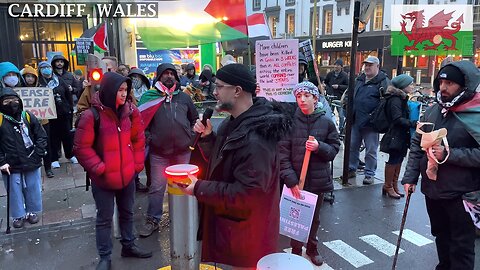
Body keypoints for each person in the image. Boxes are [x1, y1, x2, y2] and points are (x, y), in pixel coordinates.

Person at [181, 63, 293, 269]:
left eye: (219, 86)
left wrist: (199, 187)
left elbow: (247, 194)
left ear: (237, 91)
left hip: (247, 239)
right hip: (235, 232)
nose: (214, 92)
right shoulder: (233, 122)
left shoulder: (257, 138)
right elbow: (228, 160)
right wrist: (208, 139)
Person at [402, 60, 480, 270]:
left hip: (463, 194)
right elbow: (417, 144)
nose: (443, 88)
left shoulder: (476, 113)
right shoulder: (433, 110)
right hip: (434, 190)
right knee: (441, 237)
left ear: (465, 85)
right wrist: (410, 177)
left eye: (450, 83)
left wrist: (449, 154)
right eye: (441, 82)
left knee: (461, 246)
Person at [73, 72, 151, 270]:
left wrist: (136, 166)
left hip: (127, 176)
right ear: (109, 91)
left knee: (127, 213)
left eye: (126, 90)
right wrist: (100, 168)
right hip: (104, 180)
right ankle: (105, 256)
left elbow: (138, 139)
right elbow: (81, 148)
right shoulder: (91, 116)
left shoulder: (131, 112)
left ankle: (129, 245)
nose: (124, 94)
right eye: (120, 90)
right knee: (104, 219)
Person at [279, 81, 340, 266]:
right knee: (294, 217)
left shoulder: (326, 123)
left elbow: (334, 149)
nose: (302, 100)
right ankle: (296, 249)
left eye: (306, 96)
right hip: (295, 181)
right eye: (298, 96)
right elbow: (282, 154)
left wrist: (319, 147)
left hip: (317, 181)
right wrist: (291, 180)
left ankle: (312, 248)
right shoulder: (290, 123)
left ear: (315, 98)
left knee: (313, 218)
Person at [137, 63, 198, 238]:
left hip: (182, 151)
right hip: (159, 152)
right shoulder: (150, 97)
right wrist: (151, 138)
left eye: (172, 73)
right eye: (165, 73)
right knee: (157, 187)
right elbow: (141, 122)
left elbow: (194, 119)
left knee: (184, 186)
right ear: (159, 76)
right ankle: (153, 220)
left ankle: (185, 217)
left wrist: (190, 137)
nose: (169, 76)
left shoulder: (184, 98)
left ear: (177, 77)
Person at [0, 87, 47, 229]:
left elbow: (41, 135)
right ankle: (18, 215)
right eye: (6, 101)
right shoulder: (1, 119)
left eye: (14, 100)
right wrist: (2, 161)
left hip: (31, 158)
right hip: (10, 162)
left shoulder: (27, 116)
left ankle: (31, 212)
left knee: (33, 187)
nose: (11, 103)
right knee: (14, 189)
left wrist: (38, 152)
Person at [347, 56, 390, 184]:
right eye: (366, 65)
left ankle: (369, 173)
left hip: (371, 123)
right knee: (352, 147)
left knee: (371, 150)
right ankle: (351, 168)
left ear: (377, 66)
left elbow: (386, 103)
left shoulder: (383, 82)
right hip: (356, 120)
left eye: (370, 65)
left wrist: (376, 117)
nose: (367, 67)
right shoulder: (359, 80)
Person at [379, 74, 416, 199]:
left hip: (399, 134)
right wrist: (413, 123)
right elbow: (397, 119)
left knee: (399, 158)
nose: (412, 86)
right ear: (403, 86)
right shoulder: (395, 99)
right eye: (410, 84)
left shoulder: (400, 98)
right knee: (394, 159)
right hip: (395, 134)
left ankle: (393, 185)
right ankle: (388, 186)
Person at [38, 61, 76, 168]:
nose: (46, 69)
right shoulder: (40, 82)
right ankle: (54, 158)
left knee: (67, 135)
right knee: (52, 137)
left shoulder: (59, 80)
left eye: (47, 67)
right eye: (43, 67)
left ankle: (70, 154)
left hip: (63, 113)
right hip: (49, 115)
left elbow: (68, 95)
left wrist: (69, 108)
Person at [21, 65, 54, 178]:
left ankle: (48, 168)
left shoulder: (43, 88)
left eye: (32, 76)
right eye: (27, 76)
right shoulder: (20, 90)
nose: (30, 79)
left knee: (46, 144)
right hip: (27, 124)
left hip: (43, 122)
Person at [127, 68, 151, 192]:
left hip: (147, 133)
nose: (135, 79)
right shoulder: (126, 93)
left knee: (147, 161)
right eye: (132, 77)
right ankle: (133, 183)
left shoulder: (149, 94)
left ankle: (149, 183)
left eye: (137, 77)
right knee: (134, 160)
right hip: (132, 133)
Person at [324, 59, 348, 132]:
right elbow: (325, 82)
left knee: (341, 115)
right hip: (330, 96)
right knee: (328, 113)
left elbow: (347, 86)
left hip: (340, 97)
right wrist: (328, 89)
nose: (336, 67)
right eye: (335, 65)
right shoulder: (330, 74)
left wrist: (339, 86)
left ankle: (341, 129)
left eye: (338, 65)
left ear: (341, 67)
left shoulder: (344, 75)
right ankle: (328, 128)